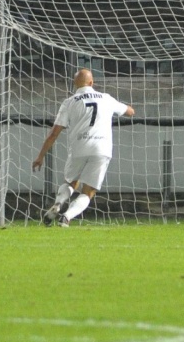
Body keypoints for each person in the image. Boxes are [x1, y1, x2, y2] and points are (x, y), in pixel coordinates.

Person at [32, 68, 135, 226]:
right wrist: (129, 109)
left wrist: (40, 156)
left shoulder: (69, 102)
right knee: (88, 191)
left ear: (75, 84)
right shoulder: (106, 98)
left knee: (70, 182)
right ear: (92, 82)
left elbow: (53, 133)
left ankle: (58, 203)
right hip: (101, 149)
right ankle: (66, 217)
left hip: (79, 148)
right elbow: (130, 112)